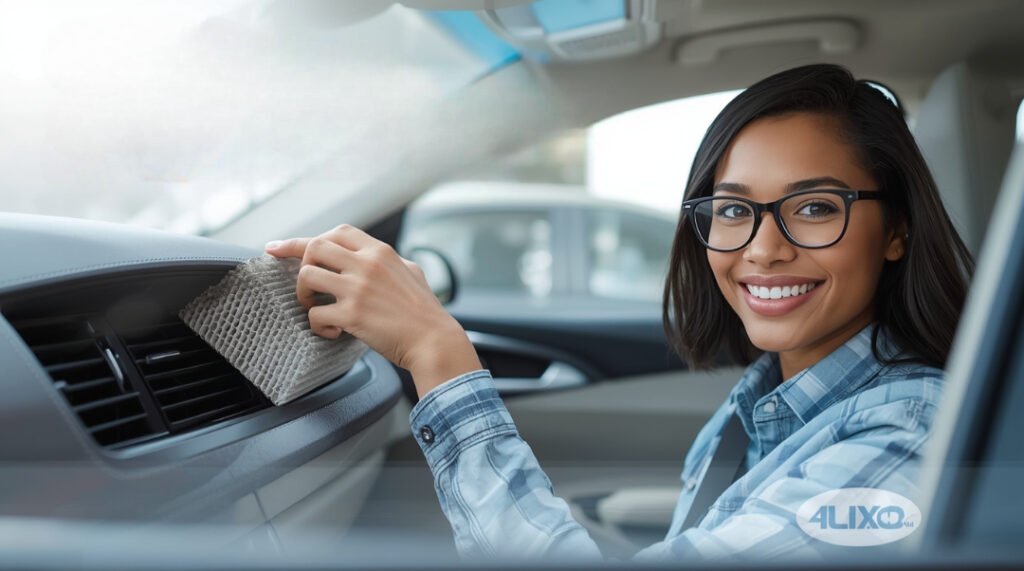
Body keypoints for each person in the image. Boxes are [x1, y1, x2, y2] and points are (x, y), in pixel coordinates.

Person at [263, 63, 972, 561]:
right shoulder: (772, 400)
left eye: (814, 207)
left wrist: (438, 356)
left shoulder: (906, 438)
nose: (763, 248)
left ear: (898, 230)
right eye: (732, 210)